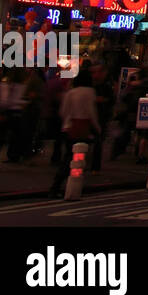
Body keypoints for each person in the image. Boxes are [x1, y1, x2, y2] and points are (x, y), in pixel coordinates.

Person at [49, 69, 101, 198]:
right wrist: (97, 127)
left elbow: (63, 111)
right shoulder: (90, 92)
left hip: (69, 127)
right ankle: (71, 183)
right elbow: (91, 112)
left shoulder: (71, 93)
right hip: (83, 127)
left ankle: (57, 184)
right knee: (79, 157)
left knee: (69, 156)